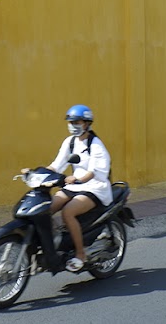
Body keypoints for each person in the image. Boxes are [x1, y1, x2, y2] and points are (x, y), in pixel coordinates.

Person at [47, 104, 111, 272]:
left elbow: (94, 172)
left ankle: (80, 254)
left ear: (87, 123)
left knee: (68, 212)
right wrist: (37, 174)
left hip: (94, 188)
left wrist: (78, 178)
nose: (73, 125)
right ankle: (55, 243)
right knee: (46, 208)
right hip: (74, 185)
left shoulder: (96, 145)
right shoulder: (69, 142)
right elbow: (57, 165)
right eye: (71, 122)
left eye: (77, 122)